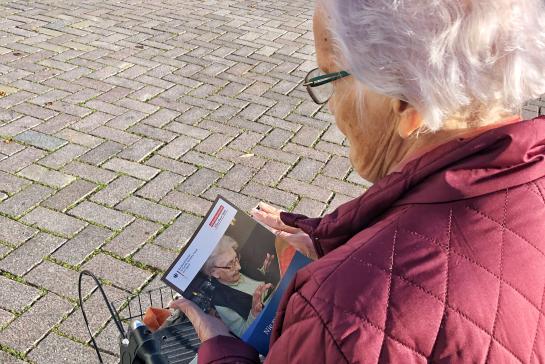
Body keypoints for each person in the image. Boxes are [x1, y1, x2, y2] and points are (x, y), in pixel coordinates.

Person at [171, 0, 545, 362]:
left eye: (330, 79)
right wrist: (335, 243)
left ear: (406, 99)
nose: (330, 104)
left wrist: (220, 348)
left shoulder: (340, 320)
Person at [200, 235, 273, 337]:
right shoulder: (221, 302)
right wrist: (254, 313)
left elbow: (255, 279)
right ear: (214, 272)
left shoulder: (243, 265)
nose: (238, 267)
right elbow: (244, 333)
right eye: (230, 264)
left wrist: (265, 271)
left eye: (236, 259)